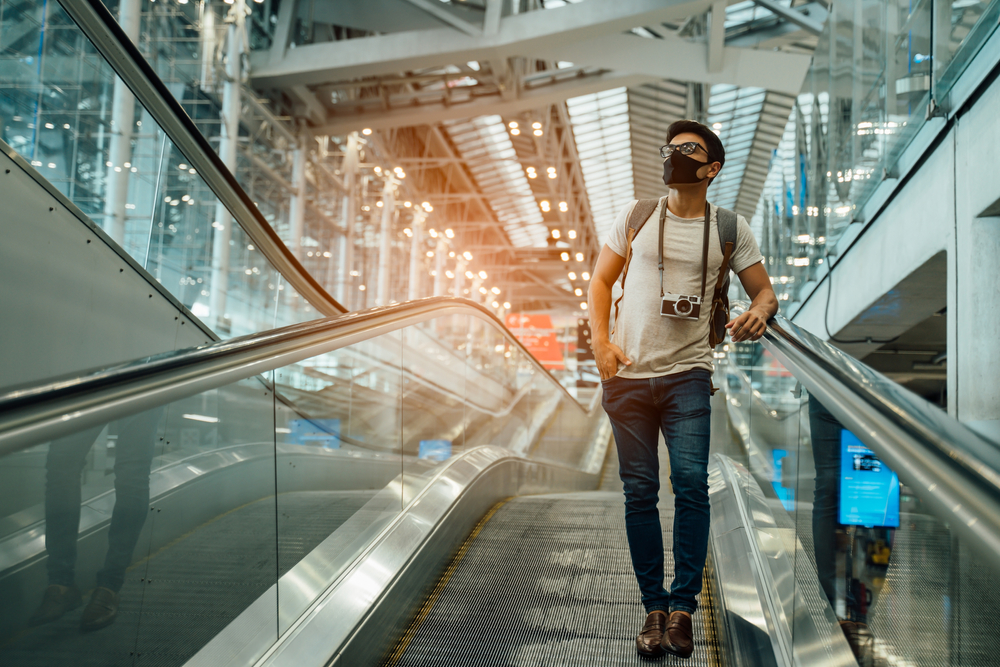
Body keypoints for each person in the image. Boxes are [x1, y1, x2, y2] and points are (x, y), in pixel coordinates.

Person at [588, 120, 778, 660]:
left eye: (688, 149)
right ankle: (653, 607)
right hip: (626, 377)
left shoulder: (728, 228)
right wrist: (601, 343)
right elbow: (600, 281)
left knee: (692, 484)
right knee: (639, 492)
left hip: (689, 374)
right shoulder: (637, 215)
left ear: (711, 168)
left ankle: (683, 609)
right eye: (670, 147)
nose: (674, 154)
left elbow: (763, 291)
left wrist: (760, 312)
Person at [27, 409, 161, 632]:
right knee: (61, 464)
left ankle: (110, 585)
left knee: (132, 473)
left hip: (143, 377)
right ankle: (61, 583)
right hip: (90, 377)